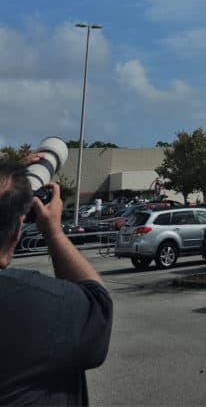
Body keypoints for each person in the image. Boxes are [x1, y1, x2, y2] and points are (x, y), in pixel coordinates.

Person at [0, 158, 113, 405]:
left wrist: (9, 180)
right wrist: (53, 232)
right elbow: (98, 307)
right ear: (18, 228)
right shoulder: (39, 304)